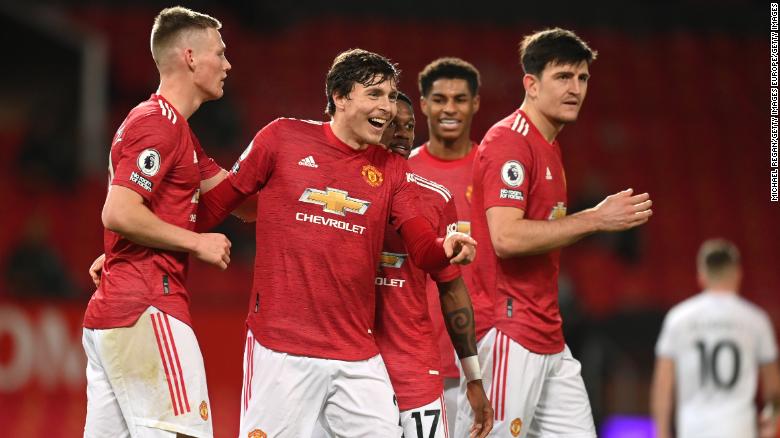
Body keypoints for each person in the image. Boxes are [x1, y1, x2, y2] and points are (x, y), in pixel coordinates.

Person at [196, 49, 478, 437]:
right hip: (283, 350)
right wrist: (148, 237)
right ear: (340, 97)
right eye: (375, 94)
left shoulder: (391, 168)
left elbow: (422, 248)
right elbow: (214, 206)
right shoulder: (282, 137)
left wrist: (445, 248)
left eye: (392, 95)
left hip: (357, 358)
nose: (388, 107)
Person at [459, 28, 653, 438]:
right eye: (563, 77)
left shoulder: (549, 146)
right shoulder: (510, 142)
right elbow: (506, 238)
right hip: (509, 328)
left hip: (548, 334)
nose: (576, 88)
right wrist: (595, 219)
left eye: (582, 78)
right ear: (531, 83)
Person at [82, 7, 240, 438]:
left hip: (121, 311)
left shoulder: (178, 132)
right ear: (190, 57)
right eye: (220, 53)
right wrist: (196, 242)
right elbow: (118, 211)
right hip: (147, 307)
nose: (227, 65)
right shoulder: (158, 126)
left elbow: (236, 196)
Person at [373, 92, 492, 438]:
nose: (402, 134)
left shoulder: (436, 198)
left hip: (414, 367)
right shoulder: (338, 191)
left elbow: (453, 289)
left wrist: (473, 376)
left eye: (409, 126)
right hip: (351, 362)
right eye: (392, 124)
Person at [412, 57, 482, 430]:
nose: (450, 108)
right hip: (416, 354)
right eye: (439, 99)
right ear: (423, 104)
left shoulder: (492, 172)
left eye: (459, 99)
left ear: (476, 104)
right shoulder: (402, 172)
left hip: (482, 354)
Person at [651, 239, 780, 438]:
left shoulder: (678, 318)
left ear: (701, 276)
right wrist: (772, 424)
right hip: (740, 429)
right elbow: (773, 386)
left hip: (693, 430)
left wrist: (661, 433)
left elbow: (663, 385)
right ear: (738, 274)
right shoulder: (756, 319)